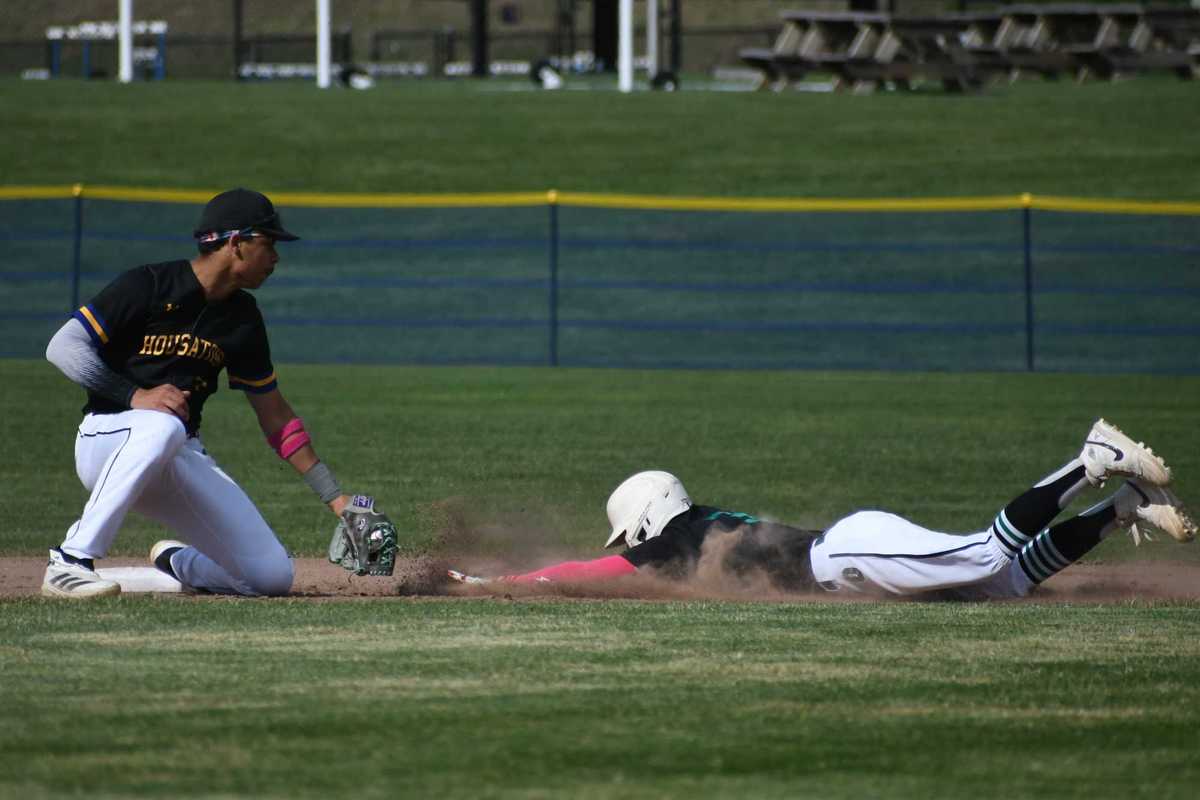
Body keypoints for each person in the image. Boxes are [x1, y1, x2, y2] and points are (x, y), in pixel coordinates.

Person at [448, 419, 1195, 599]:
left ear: (643, 515)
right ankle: (1121, 507)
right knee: (1002, 585)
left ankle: (1088, 461)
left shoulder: (672, 540)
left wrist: (498, 585)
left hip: (844, 553)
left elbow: (587, 569)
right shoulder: (695, 521)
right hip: (850, 560)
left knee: (981, 555)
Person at [42, 188, 356, 598]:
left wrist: (338, 501)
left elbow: (276, 418)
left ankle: (177, 567)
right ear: (235, 243)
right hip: (108, 439)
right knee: (163, 425)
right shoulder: (150, 285)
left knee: (271, 578)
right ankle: (70, 560)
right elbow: (62, 347)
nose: (276, 256)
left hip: (177, 452)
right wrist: (135, 395)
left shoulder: (243, 319)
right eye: (269, 243)